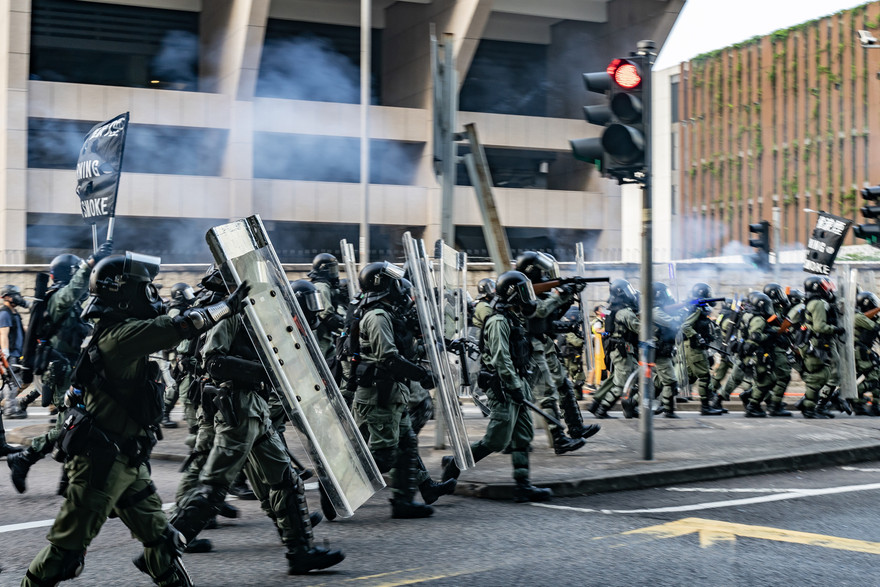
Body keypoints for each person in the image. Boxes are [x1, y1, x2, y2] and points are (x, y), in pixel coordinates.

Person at [21, 251, 248, 586]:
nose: (153, 295)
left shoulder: (119, 331)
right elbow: (177, 327)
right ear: (125, 294)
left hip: (127, 460)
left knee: (162, 543)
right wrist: (225, 307)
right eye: (146, 288)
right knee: (65, 556)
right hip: (100, 466)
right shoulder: (121, 335)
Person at [168, 269, 344, 574]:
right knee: (214, 486)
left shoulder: (255, 315)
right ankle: (161, 546)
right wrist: (265, 372)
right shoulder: (229, 314)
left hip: (256, 407)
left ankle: (300, 552)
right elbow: (215, 362)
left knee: (286, 480)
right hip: (237, 408)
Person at [351, 262, 455, 518]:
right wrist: (423, 375)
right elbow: (388, 358)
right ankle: (335, 484)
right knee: (384, 457)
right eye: (394, 281)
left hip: (394, 395)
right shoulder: (377, 316)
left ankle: (404, 503)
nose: (400, 287)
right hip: (378, 397)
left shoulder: (388, 314)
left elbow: (403, 350)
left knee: (407, 444)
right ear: (384, 285)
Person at [8, 243, 113, 493]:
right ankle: (24, 458)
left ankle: (66, 481)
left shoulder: (72, 304)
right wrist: (89, 264)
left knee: (78, 422)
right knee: (70, 423)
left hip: (72, 368)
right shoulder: (58, 299)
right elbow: (75, 290)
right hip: (59, 370)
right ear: (70, 274)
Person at [442, 270, 553, 502]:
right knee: (496, 440)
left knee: (523, 435)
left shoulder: (512, 317)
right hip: (503, 386)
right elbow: (501, 358)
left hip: (516, 383)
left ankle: (523, 486)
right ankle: (454, 464)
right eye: (523, 291)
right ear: (512, 293)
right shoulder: (498, 320)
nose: (528, 296)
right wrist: (513, 386)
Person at [515, 251, 595, 450]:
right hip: (530, 348)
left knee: (562, 385)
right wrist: (562, 294)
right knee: (545, 393)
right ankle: (558, 439)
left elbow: (550, 317)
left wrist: (569, 295)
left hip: (543, 344)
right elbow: (539, 311)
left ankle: (575, 427)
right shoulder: (519, 291)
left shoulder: (535, 291)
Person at [588, 279, 639, 419]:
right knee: (622, 384)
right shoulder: (624, 312)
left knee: (618, 379)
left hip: (616, 349)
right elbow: (639, 328)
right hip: (623, 350)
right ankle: (603, 409)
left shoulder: (610, 308)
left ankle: (595, 404)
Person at [801, 276, 843, 418]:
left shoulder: (816, 302)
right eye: (825, 286)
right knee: (818, 376)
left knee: (823, 374)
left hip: (819, 343)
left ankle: (814, 406)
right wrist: (835, 329)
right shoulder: (818, 303)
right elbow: (819, 326)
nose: (828, 289)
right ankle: (810, 409)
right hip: (817, 343)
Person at [681, 283, 724, 416]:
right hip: (695, 348)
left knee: (690, 377)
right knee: (705, 377)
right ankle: (705, 407)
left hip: (694, 348)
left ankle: (665, 403)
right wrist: (697, 337)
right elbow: (685, 326)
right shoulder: (696, 309)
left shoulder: (697, 308)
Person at [308, 253, 345, 362]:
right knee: (319, 366)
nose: (335, 272)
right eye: (332, 269)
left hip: (327, 336)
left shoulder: (325, 286)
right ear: (324, 270)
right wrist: (346, 325)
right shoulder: (321, 287)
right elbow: (327, 316)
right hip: (321, 336)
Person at [1, 284, 27, 418]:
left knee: (16, 380)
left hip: (18, 353)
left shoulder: (14, 313)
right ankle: (10, 410)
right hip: (10, 353)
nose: (19, 298)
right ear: (7, 297)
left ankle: (5, 403)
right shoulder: (5, 313)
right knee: (12, 381)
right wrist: (5, 353)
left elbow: (23, 329)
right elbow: (3, 334)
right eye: (15, 295)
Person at [853, 291, 880, 416]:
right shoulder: (858, 317)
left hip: (863, 351)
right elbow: (875, 327)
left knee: (873, 375)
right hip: (861, 352)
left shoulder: (859, 316)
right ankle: (852, 396)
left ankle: (859, 405)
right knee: (874, 378)